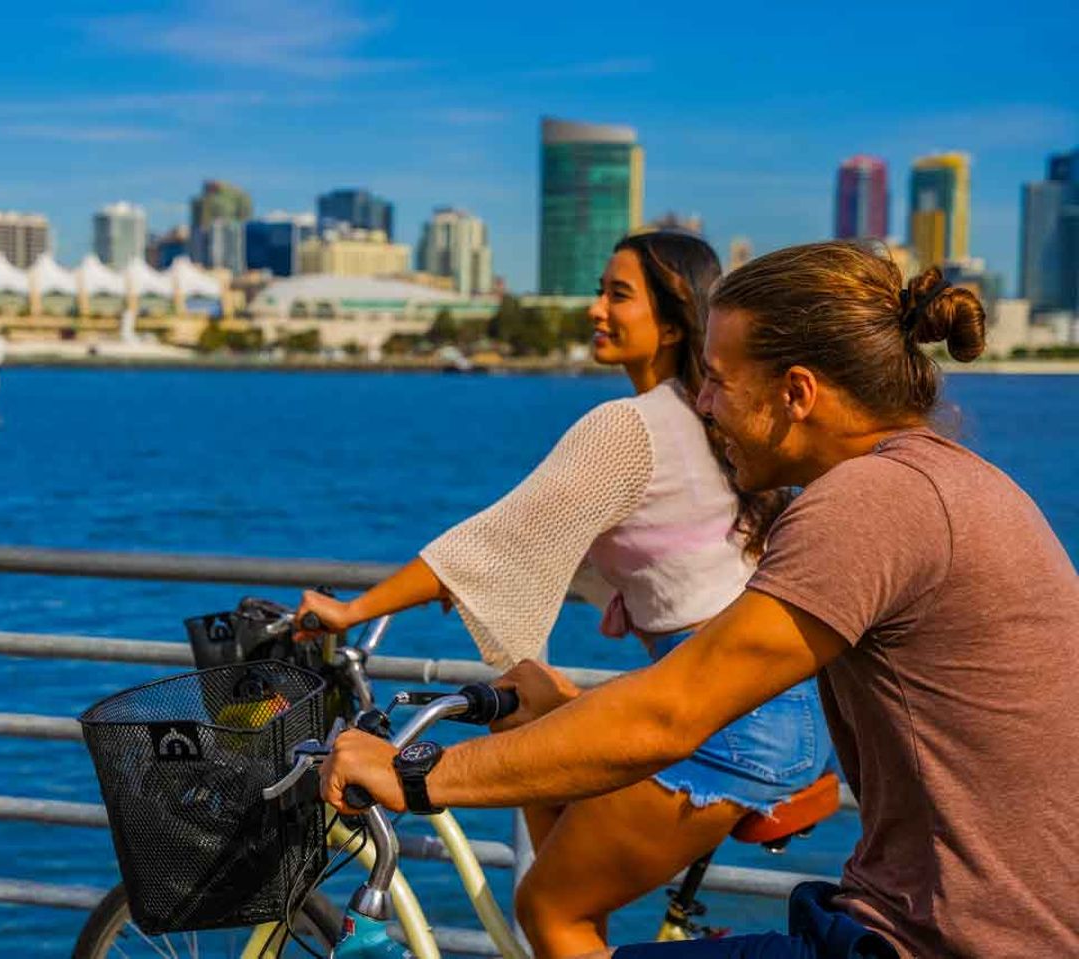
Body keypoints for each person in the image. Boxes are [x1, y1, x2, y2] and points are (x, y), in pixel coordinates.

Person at [319, 241, 1079, 957]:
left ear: (798, 393)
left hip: (940, 940)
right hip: (927, 919)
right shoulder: (938, 478)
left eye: (717, 380)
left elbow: (668, 713)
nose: (706, 405)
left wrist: (417, 773)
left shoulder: (873, 501)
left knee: (552, 907)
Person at [297, 232, 833, 958]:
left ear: (672, 323)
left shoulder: (629, 427)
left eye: (619, 294)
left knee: (549, 910)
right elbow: (573, 545)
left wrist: (353, 610)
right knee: (530, 695)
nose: (596, 308)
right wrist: (488, 579)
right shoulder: (706, 418)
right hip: (776, 701)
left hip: (726, 719)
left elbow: (501, 539)